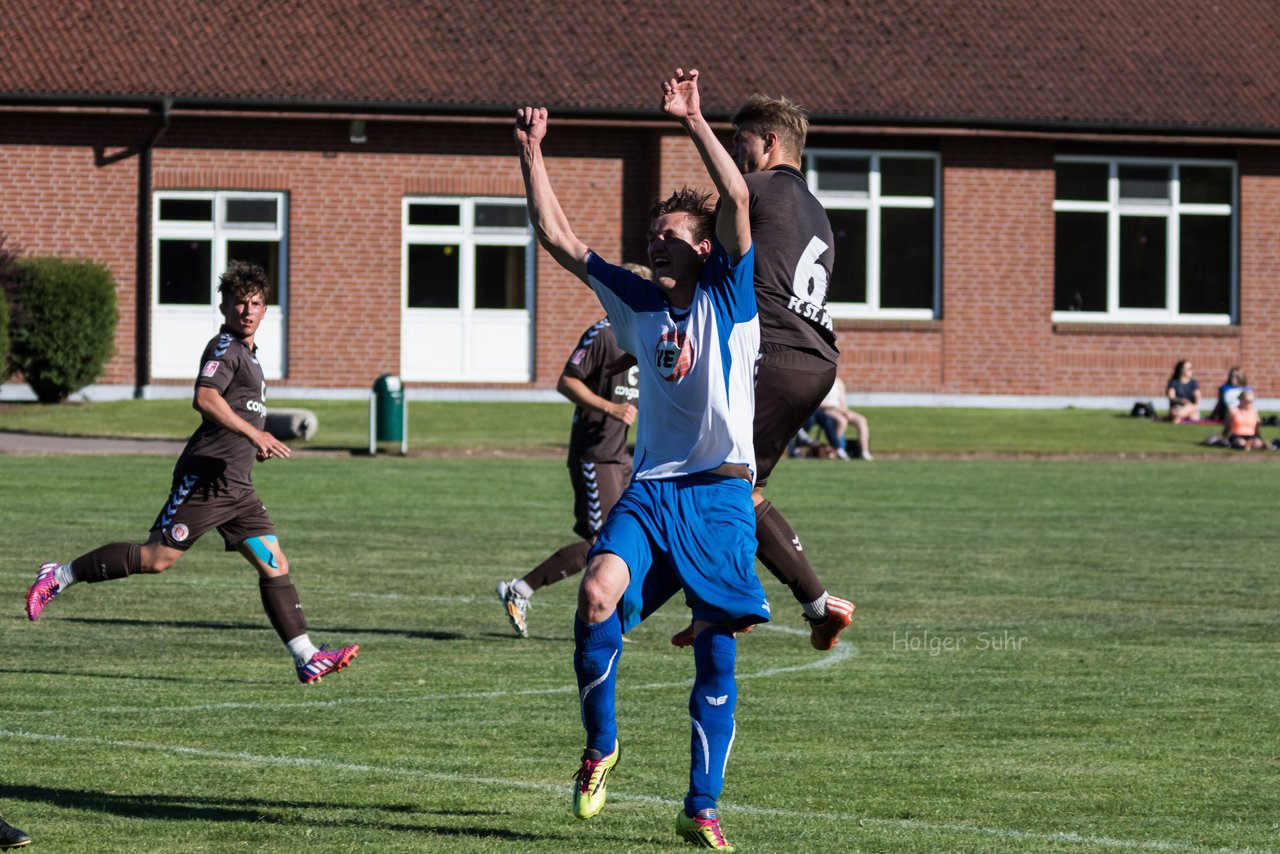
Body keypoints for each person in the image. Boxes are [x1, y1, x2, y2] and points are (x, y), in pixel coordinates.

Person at [517, 67, 762, 850]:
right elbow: (560, 240)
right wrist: (532, 157)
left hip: (721, 496)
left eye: (671, 232)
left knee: (715, 655)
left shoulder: (732, 291)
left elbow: (743, 202)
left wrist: (692, 117)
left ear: (703, 245)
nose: (655, 237)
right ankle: (601, 745)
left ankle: (701, 806)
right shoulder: (637, 297)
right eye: (652, 230)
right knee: (594, 595)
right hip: (653, 492)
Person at [25, 261, 359, 685]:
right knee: (157, 558)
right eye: (240, 302)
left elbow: (238, 410)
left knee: (274, 562)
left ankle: (306, 656)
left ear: (265, 308)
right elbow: (204, 398)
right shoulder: (225, 349)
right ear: (223, 305)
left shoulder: (251, 358)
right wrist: (253, 436)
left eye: (256, 303)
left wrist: (251, 440)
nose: (248, 310)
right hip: (206, 478)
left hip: (236, 483)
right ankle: (58, 575)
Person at [670, 91, 856, 652]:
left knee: (714, 477)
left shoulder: (760, 188)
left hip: (770, 356)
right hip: (815, 360)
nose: (735, 154)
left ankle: (736, 602)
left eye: (740, 143)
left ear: (770, 142)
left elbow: (724, 199)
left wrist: (692, 120)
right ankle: (783, 605)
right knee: (742, 484)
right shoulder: (815, 208)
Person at [495, 283, 642, 637]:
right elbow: (567, 382)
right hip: (594, 455)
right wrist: (610, 407)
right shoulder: (603, 335)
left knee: (630, 538)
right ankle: (521, 589)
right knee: (600, 541)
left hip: (620, 456)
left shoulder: (641, 338)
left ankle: (617, 618)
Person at [805, 375, 872, 461]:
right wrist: (834, 407)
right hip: (827, 409)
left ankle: (865, 452)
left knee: (861, 420)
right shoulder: (821, 381)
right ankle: (836, 448)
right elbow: (818, 402)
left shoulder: (839, 382)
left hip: (840, 409)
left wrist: (845, 411)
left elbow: (842, 401)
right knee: (842, 421)